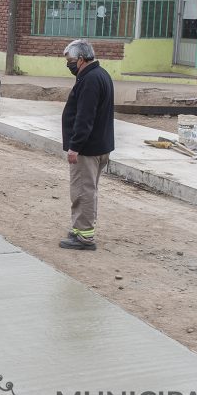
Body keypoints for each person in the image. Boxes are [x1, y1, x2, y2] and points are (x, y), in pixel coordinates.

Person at [60, 39, 115, 251]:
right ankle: (79, 228)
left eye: (70, 61)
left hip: (88, 149)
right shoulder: (100, 74)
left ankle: (84, 237)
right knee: (85, 189)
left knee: (83, 190)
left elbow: (85, 117)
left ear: (81, 59)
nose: (69, 65)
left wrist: (75, 146)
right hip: (99, 145)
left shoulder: (90, 80)